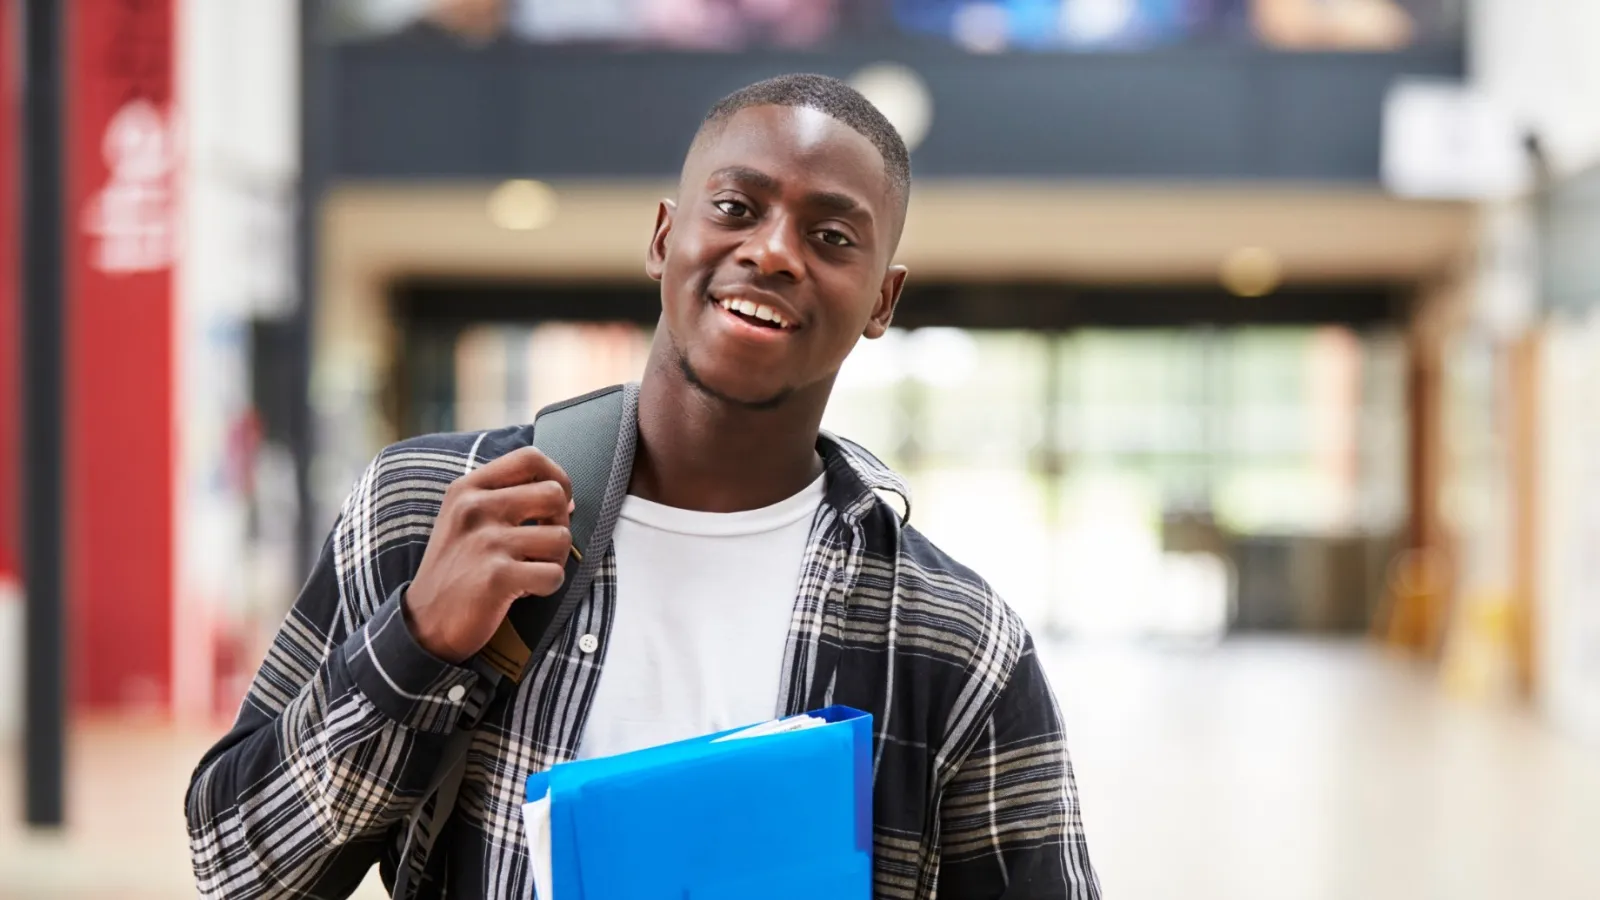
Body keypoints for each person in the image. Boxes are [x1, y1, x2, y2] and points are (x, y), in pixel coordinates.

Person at [186, 73, 1100, 900]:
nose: (774, 251)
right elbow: (236, 871)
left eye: (830, 236)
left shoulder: (955, 642)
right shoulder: (428, 505)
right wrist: (418, 639)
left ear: (882, 303)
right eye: (737, 207)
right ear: (667, 238)